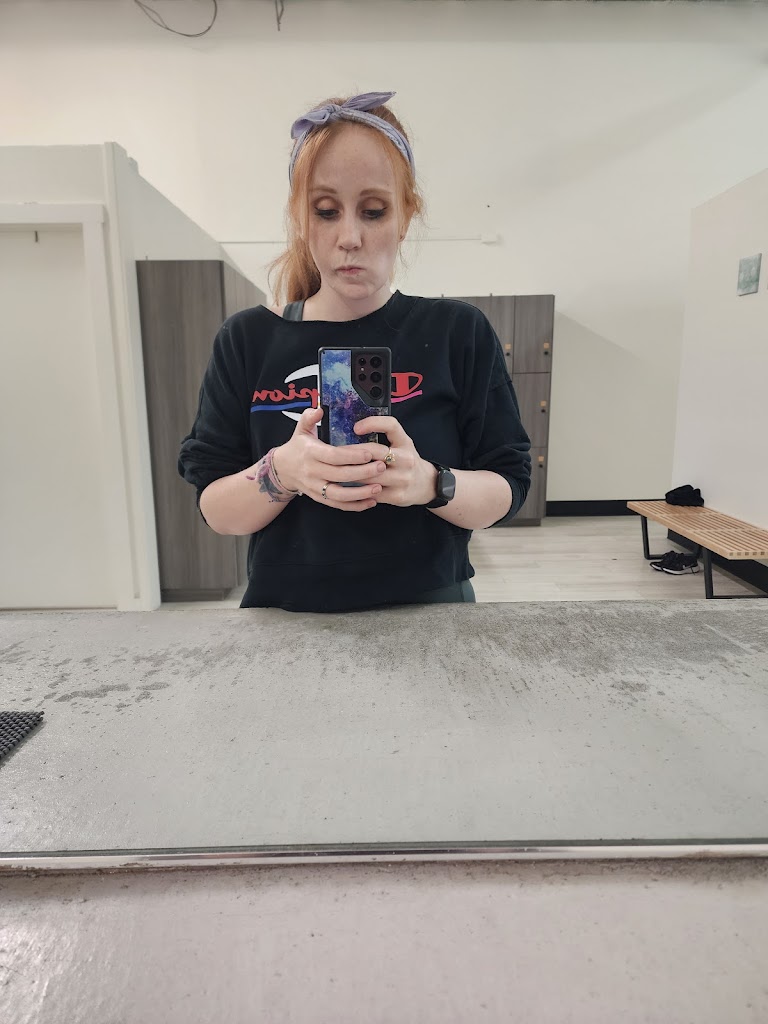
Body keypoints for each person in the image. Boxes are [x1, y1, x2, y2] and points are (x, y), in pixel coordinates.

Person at [178, 91, 531, 612]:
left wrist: (430, 483)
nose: (349, 237)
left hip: (431, 619)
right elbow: (215, 510)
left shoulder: (457, 332)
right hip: (286, 622)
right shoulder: (247, 340)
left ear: (405, 217)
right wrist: (282, 472)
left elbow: (508, 487)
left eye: (373, 211)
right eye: (326, 211)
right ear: (301, 219)